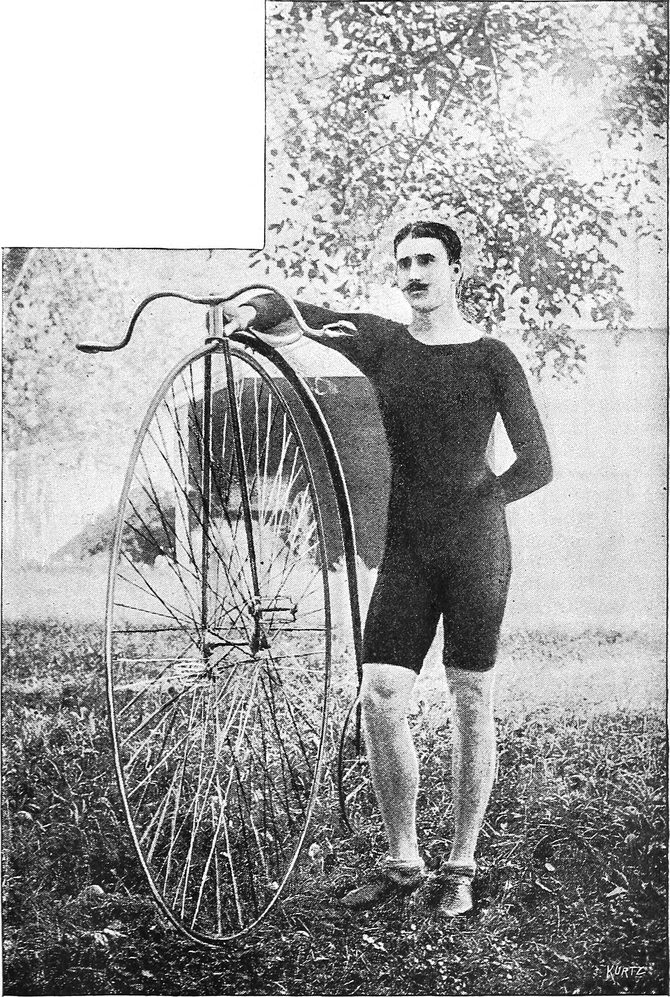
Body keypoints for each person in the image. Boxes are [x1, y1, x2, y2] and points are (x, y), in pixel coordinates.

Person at [221, 220, 552, 917]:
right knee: (380, 693)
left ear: (456, 268)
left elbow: (538, 464)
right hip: (407, 549)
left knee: (470, 695)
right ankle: (404, 861)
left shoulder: (493, 357)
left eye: (426, 260)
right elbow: (298, 312)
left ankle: (459, 866)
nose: (413, 273)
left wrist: (479, 502)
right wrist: (247, 308)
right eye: (403, 263)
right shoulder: (382, 342)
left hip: (476, 550)